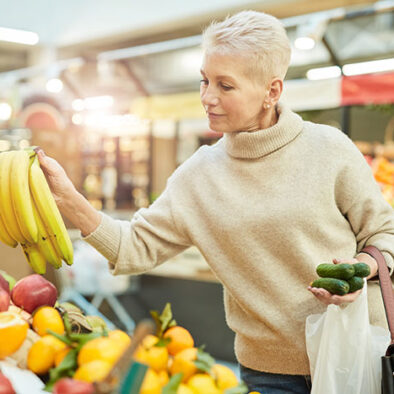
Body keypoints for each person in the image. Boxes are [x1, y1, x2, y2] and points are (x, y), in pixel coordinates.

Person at [36, 10, 394, 394]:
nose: (208, 97)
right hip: (270, 373)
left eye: (226, 86)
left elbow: (384, 233)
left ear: (272, 91)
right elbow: (133, 248)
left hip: (355, 354)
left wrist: (361, 270)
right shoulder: (198, 176)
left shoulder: (330, 149)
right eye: (205, 81)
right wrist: (69, 199)